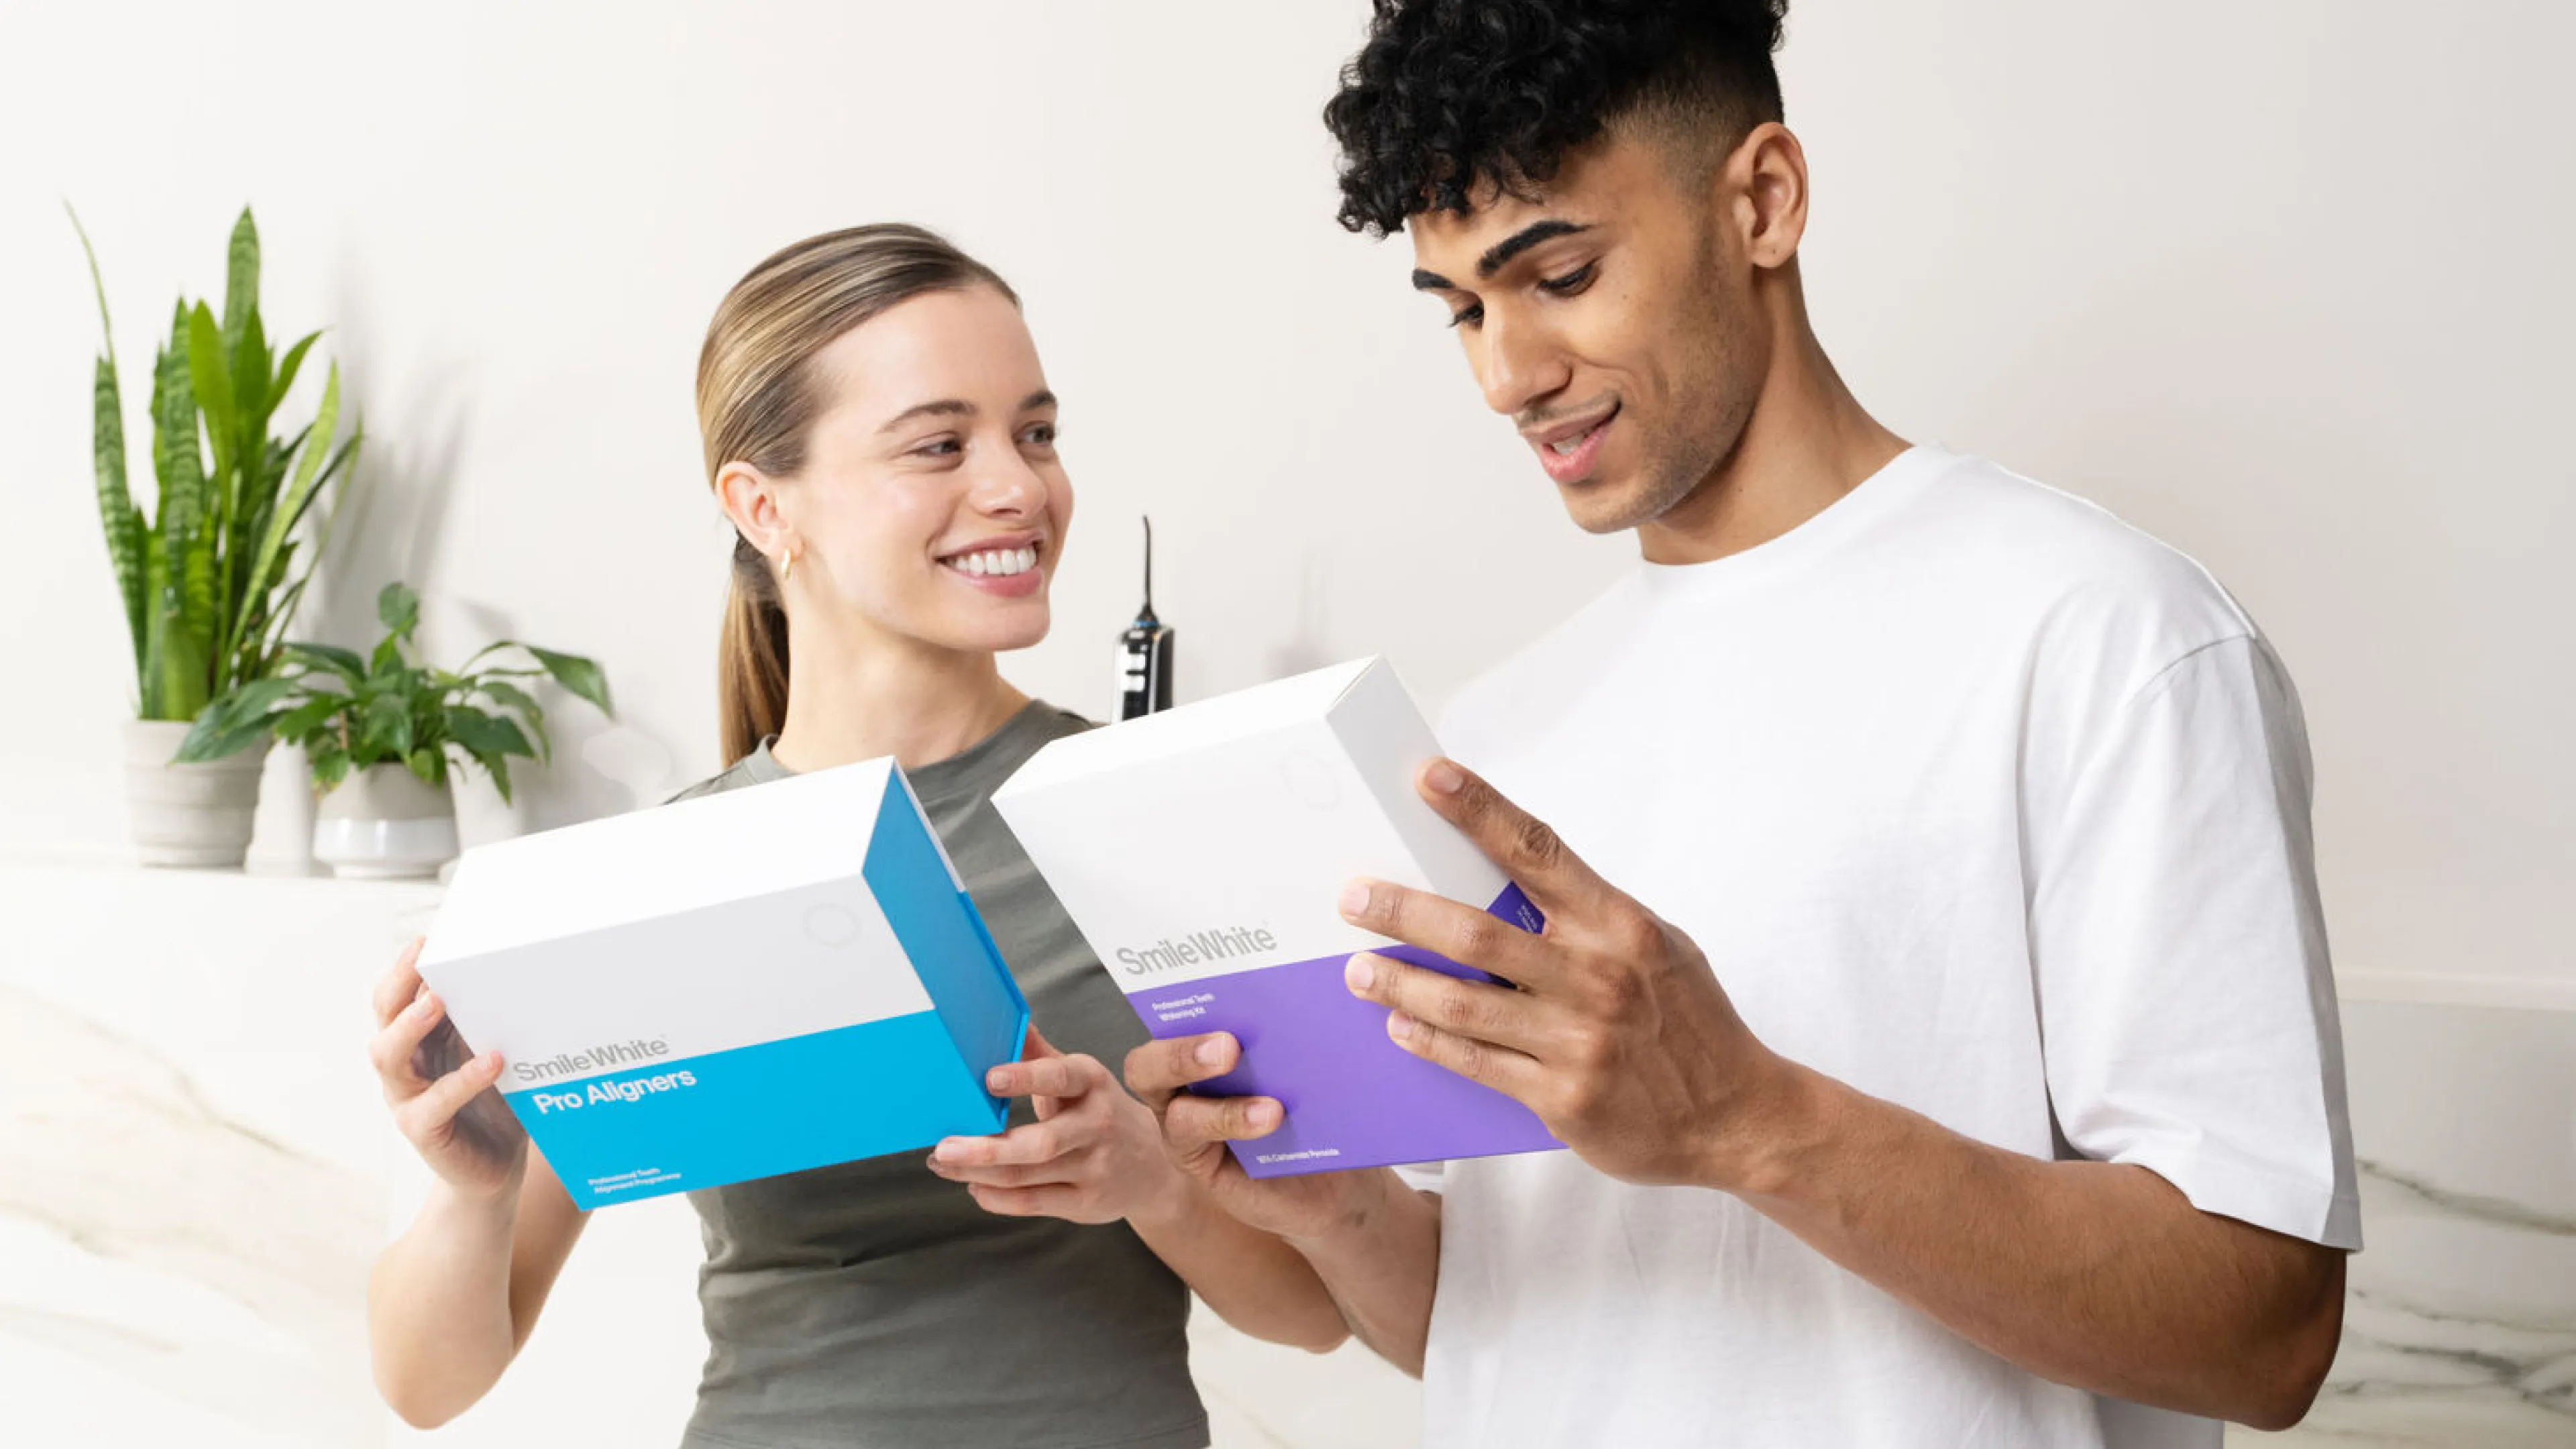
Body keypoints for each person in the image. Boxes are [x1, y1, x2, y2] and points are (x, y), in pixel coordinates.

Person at [1125, 5, 2358, 1445]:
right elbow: (1500, 1333)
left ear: (1762, 200)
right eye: (1463, 309)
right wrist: (1341, 1213)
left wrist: (1741, 1118)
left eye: (1561, 276)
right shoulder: (1496, 734)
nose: (1506, 376)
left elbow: (2263, 1332)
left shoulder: (2106, 638)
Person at [363, 223, 1346, 1449]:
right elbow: (428, 1386)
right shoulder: (665, 879)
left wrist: (1152, 1181)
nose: (1020, 487)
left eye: (1036, 432)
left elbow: (1316, 1313)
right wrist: (474, 1192)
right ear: (762, 505)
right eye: (941, 444)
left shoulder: (1158, 814)